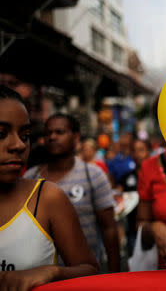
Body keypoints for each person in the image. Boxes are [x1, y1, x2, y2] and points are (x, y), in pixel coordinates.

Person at [0, 86, 98, 290]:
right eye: (1, 133)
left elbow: (91, 270)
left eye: (25, 135)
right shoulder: (33, 172)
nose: (18, 145)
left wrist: (52, 272)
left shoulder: (47, 197)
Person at [24, 113, 120, 273]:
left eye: (60, 132)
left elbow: (109, 228)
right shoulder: (30, 178)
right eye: (48, 133)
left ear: (76, 137)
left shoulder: (93, 175)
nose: (52, 137)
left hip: (83, 277)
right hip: (38, 279)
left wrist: (116, 275)